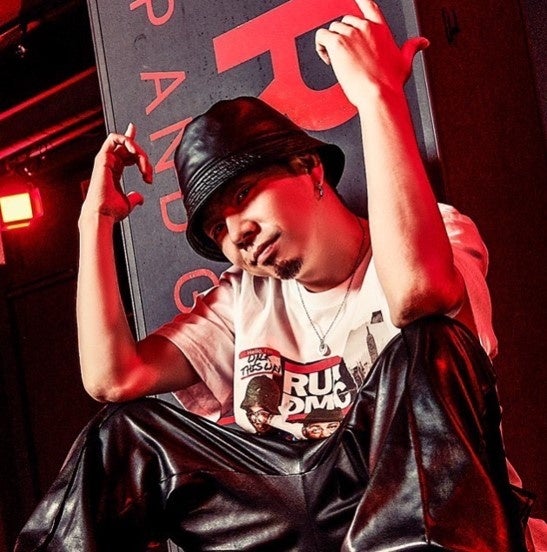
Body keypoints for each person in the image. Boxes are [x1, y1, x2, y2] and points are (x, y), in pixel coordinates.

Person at [15, 0, 538, 550]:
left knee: (429, 339)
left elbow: (418, 295)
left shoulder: (436, 235)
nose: (236, 233)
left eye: (243, 194)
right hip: (294, 505)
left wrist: (377, 95)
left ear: (308, 168)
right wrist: (94, 220)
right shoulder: (244, 298)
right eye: (217, 228)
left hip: (413, 505)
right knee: (120, 436)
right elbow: (112, 378)